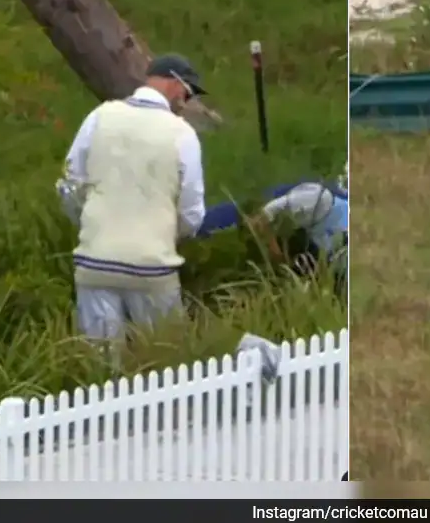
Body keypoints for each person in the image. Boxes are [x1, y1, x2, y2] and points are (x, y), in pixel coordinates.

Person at [56, 53, 207, 342]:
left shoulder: (100, 116)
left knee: (100, 367)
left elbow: (70, 185)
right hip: (153, 266)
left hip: (95, 262)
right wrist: (166, 235)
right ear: (175, 83)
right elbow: (192, 214)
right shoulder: (182, 135)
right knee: (166, 360)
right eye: (188, 94)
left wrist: (90, 225)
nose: (185, 103)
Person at [197, 163, 349, 299]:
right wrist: (275, 251)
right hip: (281, 222)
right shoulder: (315, 202)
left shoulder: (341, 244)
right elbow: (264, 215)